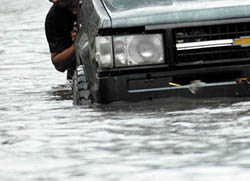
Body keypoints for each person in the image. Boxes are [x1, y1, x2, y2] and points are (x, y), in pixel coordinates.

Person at [45, 0, 78, 79]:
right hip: (78, 75)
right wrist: (76, 45)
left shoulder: (98, 6)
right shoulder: (54, 17)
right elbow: (59, 64)